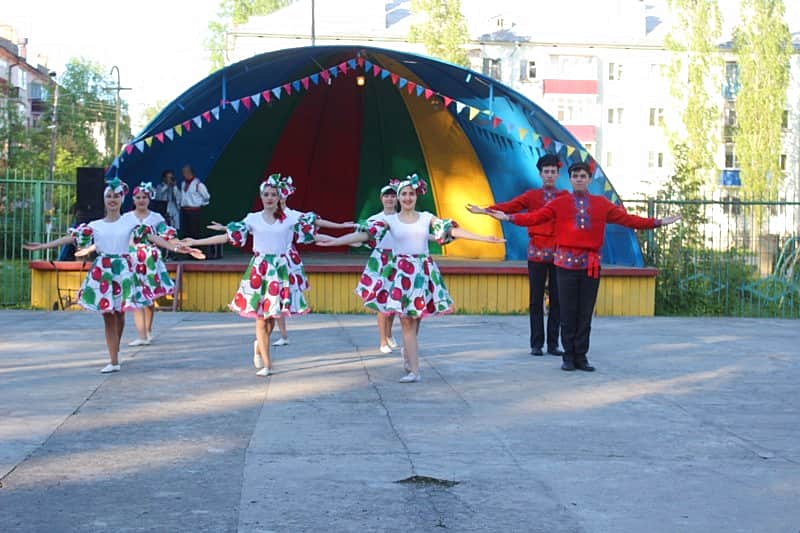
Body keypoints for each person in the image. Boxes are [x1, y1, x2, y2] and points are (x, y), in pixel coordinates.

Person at [471, 162, 680, 372]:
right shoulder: (559, 203)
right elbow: (534, 217)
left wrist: (658, 222)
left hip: (590, 265)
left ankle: (581, 356)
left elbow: (628, 220)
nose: (579, 179)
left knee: (585, 312)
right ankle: (568, 356)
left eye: (583, 176)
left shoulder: (602, 204)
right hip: (565, 264)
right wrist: (508, 217)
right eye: (575, 176)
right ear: (570, 179)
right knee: (568, 311)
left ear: (589, 179)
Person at [316, 173, 504, 383]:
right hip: (400, 272)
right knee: (406, 321)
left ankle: (408, 356)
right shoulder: (389, 220)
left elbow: (452, 230)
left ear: (416, 196)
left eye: (411, 194)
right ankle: (414, 370)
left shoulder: (426, 217)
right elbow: (364, 235)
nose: (407, 198)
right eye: (404, 194)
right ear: (398, 197)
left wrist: (485, 239)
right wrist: (334, 241)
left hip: (422, 272)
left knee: (416, 319)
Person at [23, 178, 199, 373]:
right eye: (109, 196)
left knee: (119, 313)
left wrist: (178, 247)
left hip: (123, 270)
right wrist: (43, 246)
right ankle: (113, 360)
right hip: (104, 272)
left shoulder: (130, 222)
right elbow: (71, 238)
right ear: (104, 200)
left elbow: (153, 237)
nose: (112, 199)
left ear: (122, 199)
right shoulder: (95, 225)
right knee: (108, 315)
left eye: (116, 196)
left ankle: (116, 350)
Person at [179, 174, 319, 377]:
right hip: (260, 270)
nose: (269, 198)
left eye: (273, 194)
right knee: (261, 318)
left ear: (280, 197)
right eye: (265, 194)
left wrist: (340, 237)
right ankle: (268, 364)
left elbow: (314, 232)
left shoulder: (290, 219)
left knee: (271, 318)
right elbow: (228, 236)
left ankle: (258, 346)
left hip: (279, 270)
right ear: (261, 196)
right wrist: (195, 242)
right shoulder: (252, 218)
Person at [467, 153, 567, 357]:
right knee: (535, 298)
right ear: (540, 174)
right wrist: (485, 210)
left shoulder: (564, 197)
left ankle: (553, 343)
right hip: (537, 251)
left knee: (557, 299)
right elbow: (509, 207)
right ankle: (536, 344)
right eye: (546, 172)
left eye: (552, 172)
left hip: (559, 252)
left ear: (558, 174)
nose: (549, 175)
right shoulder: (532, 196)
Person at [264, 174, 355, 350]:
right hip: (268, 260)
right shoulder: (265, 215)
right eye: (276, 195)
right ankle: (280, 335)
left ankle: (280, 335)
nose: (279, 198)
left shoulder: (292, 215)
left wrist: (341, 227)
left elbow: (316, 228)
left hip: (285, 260)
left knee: (281, 297)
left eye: (281, 195)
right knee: (274, 297)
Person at [125, 182, 181, 346]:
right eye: (138, 197)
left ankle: (147, 332)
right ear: (133, 199)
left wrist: (178, 244)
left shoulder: (156, 217)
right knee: (137, 296)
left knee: (149, 297)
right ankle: (141, 335)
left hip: (150, 259)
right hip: (133, 259)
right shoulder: (127, 218)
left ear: (149, 199)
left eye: (144, 197)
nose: (141, 200)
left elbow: (166, 234)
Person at [356, 179, 400, 354]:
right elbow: (363, 239)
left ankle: (389, 334)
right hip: (381, 261)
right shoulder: (374, 219)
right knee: (381, 302)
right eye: (386, 196)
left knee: (394, 301)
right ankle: (382, 340)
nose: (389, 199)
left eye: (392, 196)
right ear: (381, 199)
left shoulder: (402, 219)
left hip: (398, 260)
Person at [179, 164, 211, 258]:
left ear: (189, 172)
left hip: (194, 211)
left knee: (194, 232)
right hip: (185, 210)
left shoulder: (198, 184)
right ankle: (187, 253)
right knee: (186, 232)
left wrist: (200, 203)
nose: (183, 174)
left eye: (185, 172)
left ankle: (196, 253)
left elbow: (206, 196)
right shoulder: (183, 184)